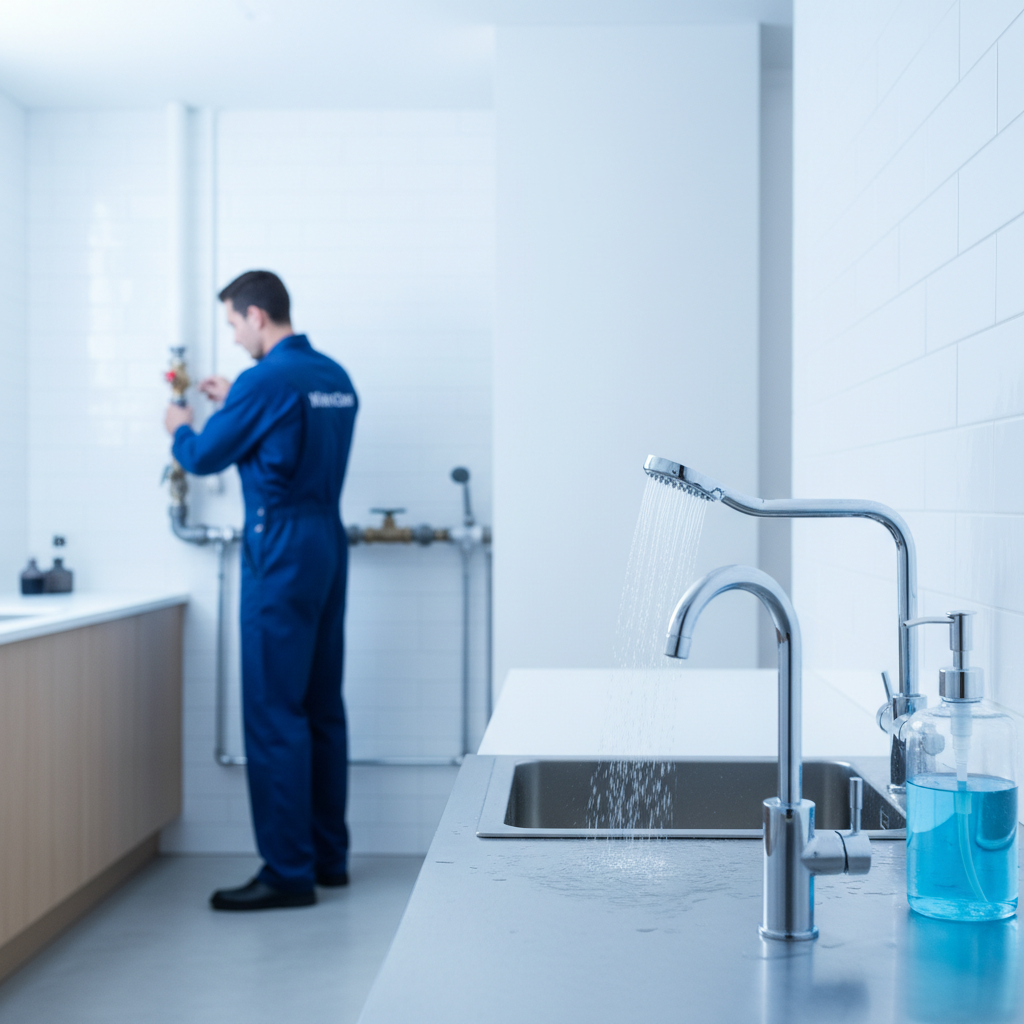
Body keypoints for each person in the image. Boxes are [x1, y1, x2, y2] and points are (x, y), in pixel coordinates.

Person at [165, 270, 358, 911]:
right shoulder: (333, 376)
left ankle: (286, 873)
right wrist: (237, 401)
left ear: (255, 316)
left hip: (279, 548)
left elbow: (203, 457)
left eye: (232, 325)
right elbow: (283, 433)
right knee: (321, 707)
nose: (234, 336)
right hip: (328, 543)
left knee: (275, 710)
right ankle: (329, 860)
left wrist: (180, 426)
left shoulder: (264, 381)